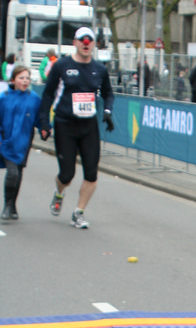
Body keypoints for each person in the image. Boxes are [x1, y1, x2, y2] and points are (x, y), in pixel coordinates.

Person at [39, 26, 114, 229]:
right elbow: (48, 94)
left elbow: (108, 93)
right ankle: (59, 192)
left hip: (88, 125)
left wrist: (107, 112)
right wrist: (44, 122)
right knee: (67, 175)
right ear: (75, 43)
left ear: (94, 44)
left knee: (91, 173)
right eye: (82, 40)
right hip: (65, 124)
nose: (86, 43)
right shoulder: (61, 65)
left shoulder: (100, 69)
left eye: (89, 40)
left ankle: (78, 213)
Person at [0, 66, 42, 221]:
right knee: (12, 172)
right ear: (13, 80)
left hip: (24, 141)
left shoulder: (34, 98)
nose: (25, 81)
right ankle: (7, 205)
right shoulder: (4, 97)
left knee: (18, 173)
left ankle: (13, 205)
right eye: (21, 78)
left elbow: (39, 118)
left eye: (27, 78)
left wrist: (45, 129)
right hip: (7, 141)